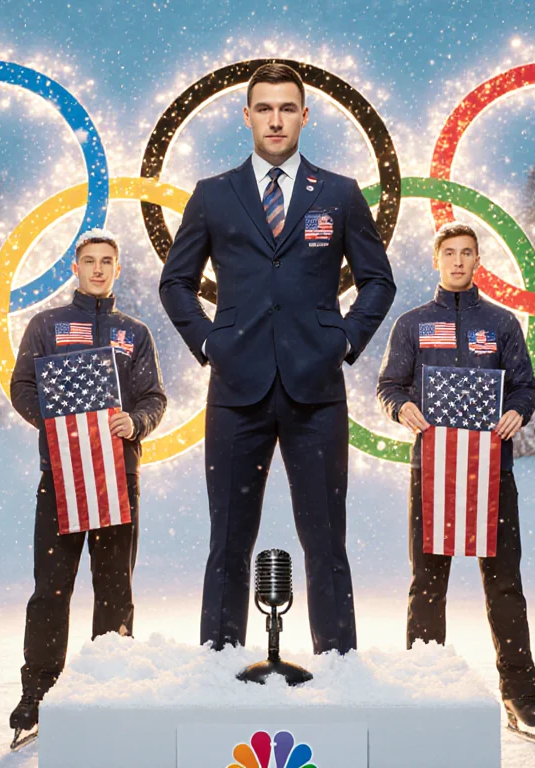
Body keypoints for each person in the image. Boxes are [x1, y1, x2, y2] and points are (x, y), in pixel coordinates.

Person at [159, 62, 396, 655]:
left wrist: (345, 340)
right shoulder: (213, 194)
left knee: (326, 541)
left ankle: (337, 662)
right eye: (264, 108)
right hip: (235, 390)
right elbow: (175, 283)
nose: (275, 119)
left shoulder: (339, 193)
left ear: (304, 116)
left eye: (287, 108)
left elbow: (378, 281)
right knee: (227, 541)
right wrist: (208, 341)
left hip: (316, 392)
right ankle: (219, 662)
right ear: (246, 116)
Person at [376, 221, 535, 742]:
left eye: (466, 252)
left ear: (478, 261)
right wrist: (400, 406)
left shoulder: (501, 323)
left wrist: (518, 410)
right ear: (436, 260)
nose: (457, 260)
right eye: (449, 252)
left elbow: (523, 387)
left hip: (493, 472)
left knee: (505, 585)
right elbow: (389, 385)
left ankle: (520, 692)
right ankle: (424, 687)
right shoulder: (412, 323)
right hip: (432, 471)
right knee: (427, 585)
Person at [7, 229, 167, 742]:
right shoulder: (47, 325)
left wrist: (136, 423)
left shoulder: (134, 333)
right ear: (74, 268)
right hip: (61, 476)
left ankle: (109, 694)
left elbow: (154, 398)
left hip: (118, 478)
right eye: (90, 261)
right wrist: (56, 423)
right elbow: (21, 386)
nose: (98, 269)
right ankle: (38, 694)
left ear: (117, 269)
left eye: (107, 261)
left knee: (115, 590)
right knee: (51, 591)